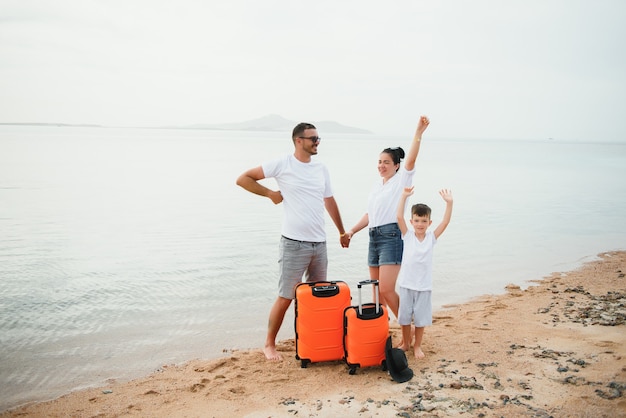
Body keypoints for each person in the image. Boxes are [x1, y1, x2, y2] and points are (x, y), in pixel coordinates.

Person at [236, 122, 348, 361]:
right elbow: (243, 179)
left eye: (318, 138)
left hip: (320, 243)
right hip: (293, 243)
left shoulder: (321, 168)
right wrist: (270, 194)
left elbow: (329, 200)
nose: (317, 142)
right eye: (313, 139)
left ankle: (313, 339)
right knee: (286, 296)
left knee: (319, 294)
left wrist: (341, 231)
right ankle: (269, 344)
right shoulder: (282, 164)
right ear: (299, 140)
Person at [342, 116, 430, 323]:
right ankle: (381, 331)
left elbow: (411, 161)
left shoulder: (401, 181)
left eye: (386, 162)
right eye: (379, 162)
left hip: (391, 237)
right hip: (374, 237)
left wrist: (418, 133)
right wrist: (352, 231)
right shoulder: (377, 186)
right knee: (377, 292)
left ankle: (408, 326)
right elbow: (370, 215)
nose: (381, 165)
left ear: (396, 166)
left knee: (387, 289)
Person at [396, 186, 453, 359]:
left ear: (429, 222)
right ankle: (406, 343)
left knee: (420, 320)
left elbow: (445, 222)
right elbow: (398, 216)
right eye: (417, 220)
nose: (420, 224)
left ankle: (417, 346)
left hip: (424, 286)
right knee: (404, 318)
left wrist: (449, 203)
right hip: (406, 284)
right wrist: (404, 196)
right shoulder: (407, 236)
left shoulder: (431, 238)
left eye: (424, 221)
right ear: (412, 221)